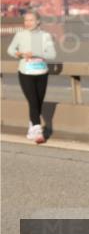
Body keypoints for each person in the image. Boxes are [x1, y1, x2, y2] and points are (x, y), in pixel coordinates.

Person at [7, 9, 57, 143]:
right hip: (25, 72)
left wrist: (36, 54)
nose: (28, 23)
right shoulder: (20, 35)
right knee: (33, 101)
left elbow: (52, 55)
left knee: (38, 102)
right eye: (26, 20)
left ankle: (31, 127)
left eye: (31, 20)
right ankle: (37, 130)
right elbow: (11, 50)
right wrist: (20, 54)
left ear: (38, 21)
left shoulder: (45, 36)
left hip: (42, 72)